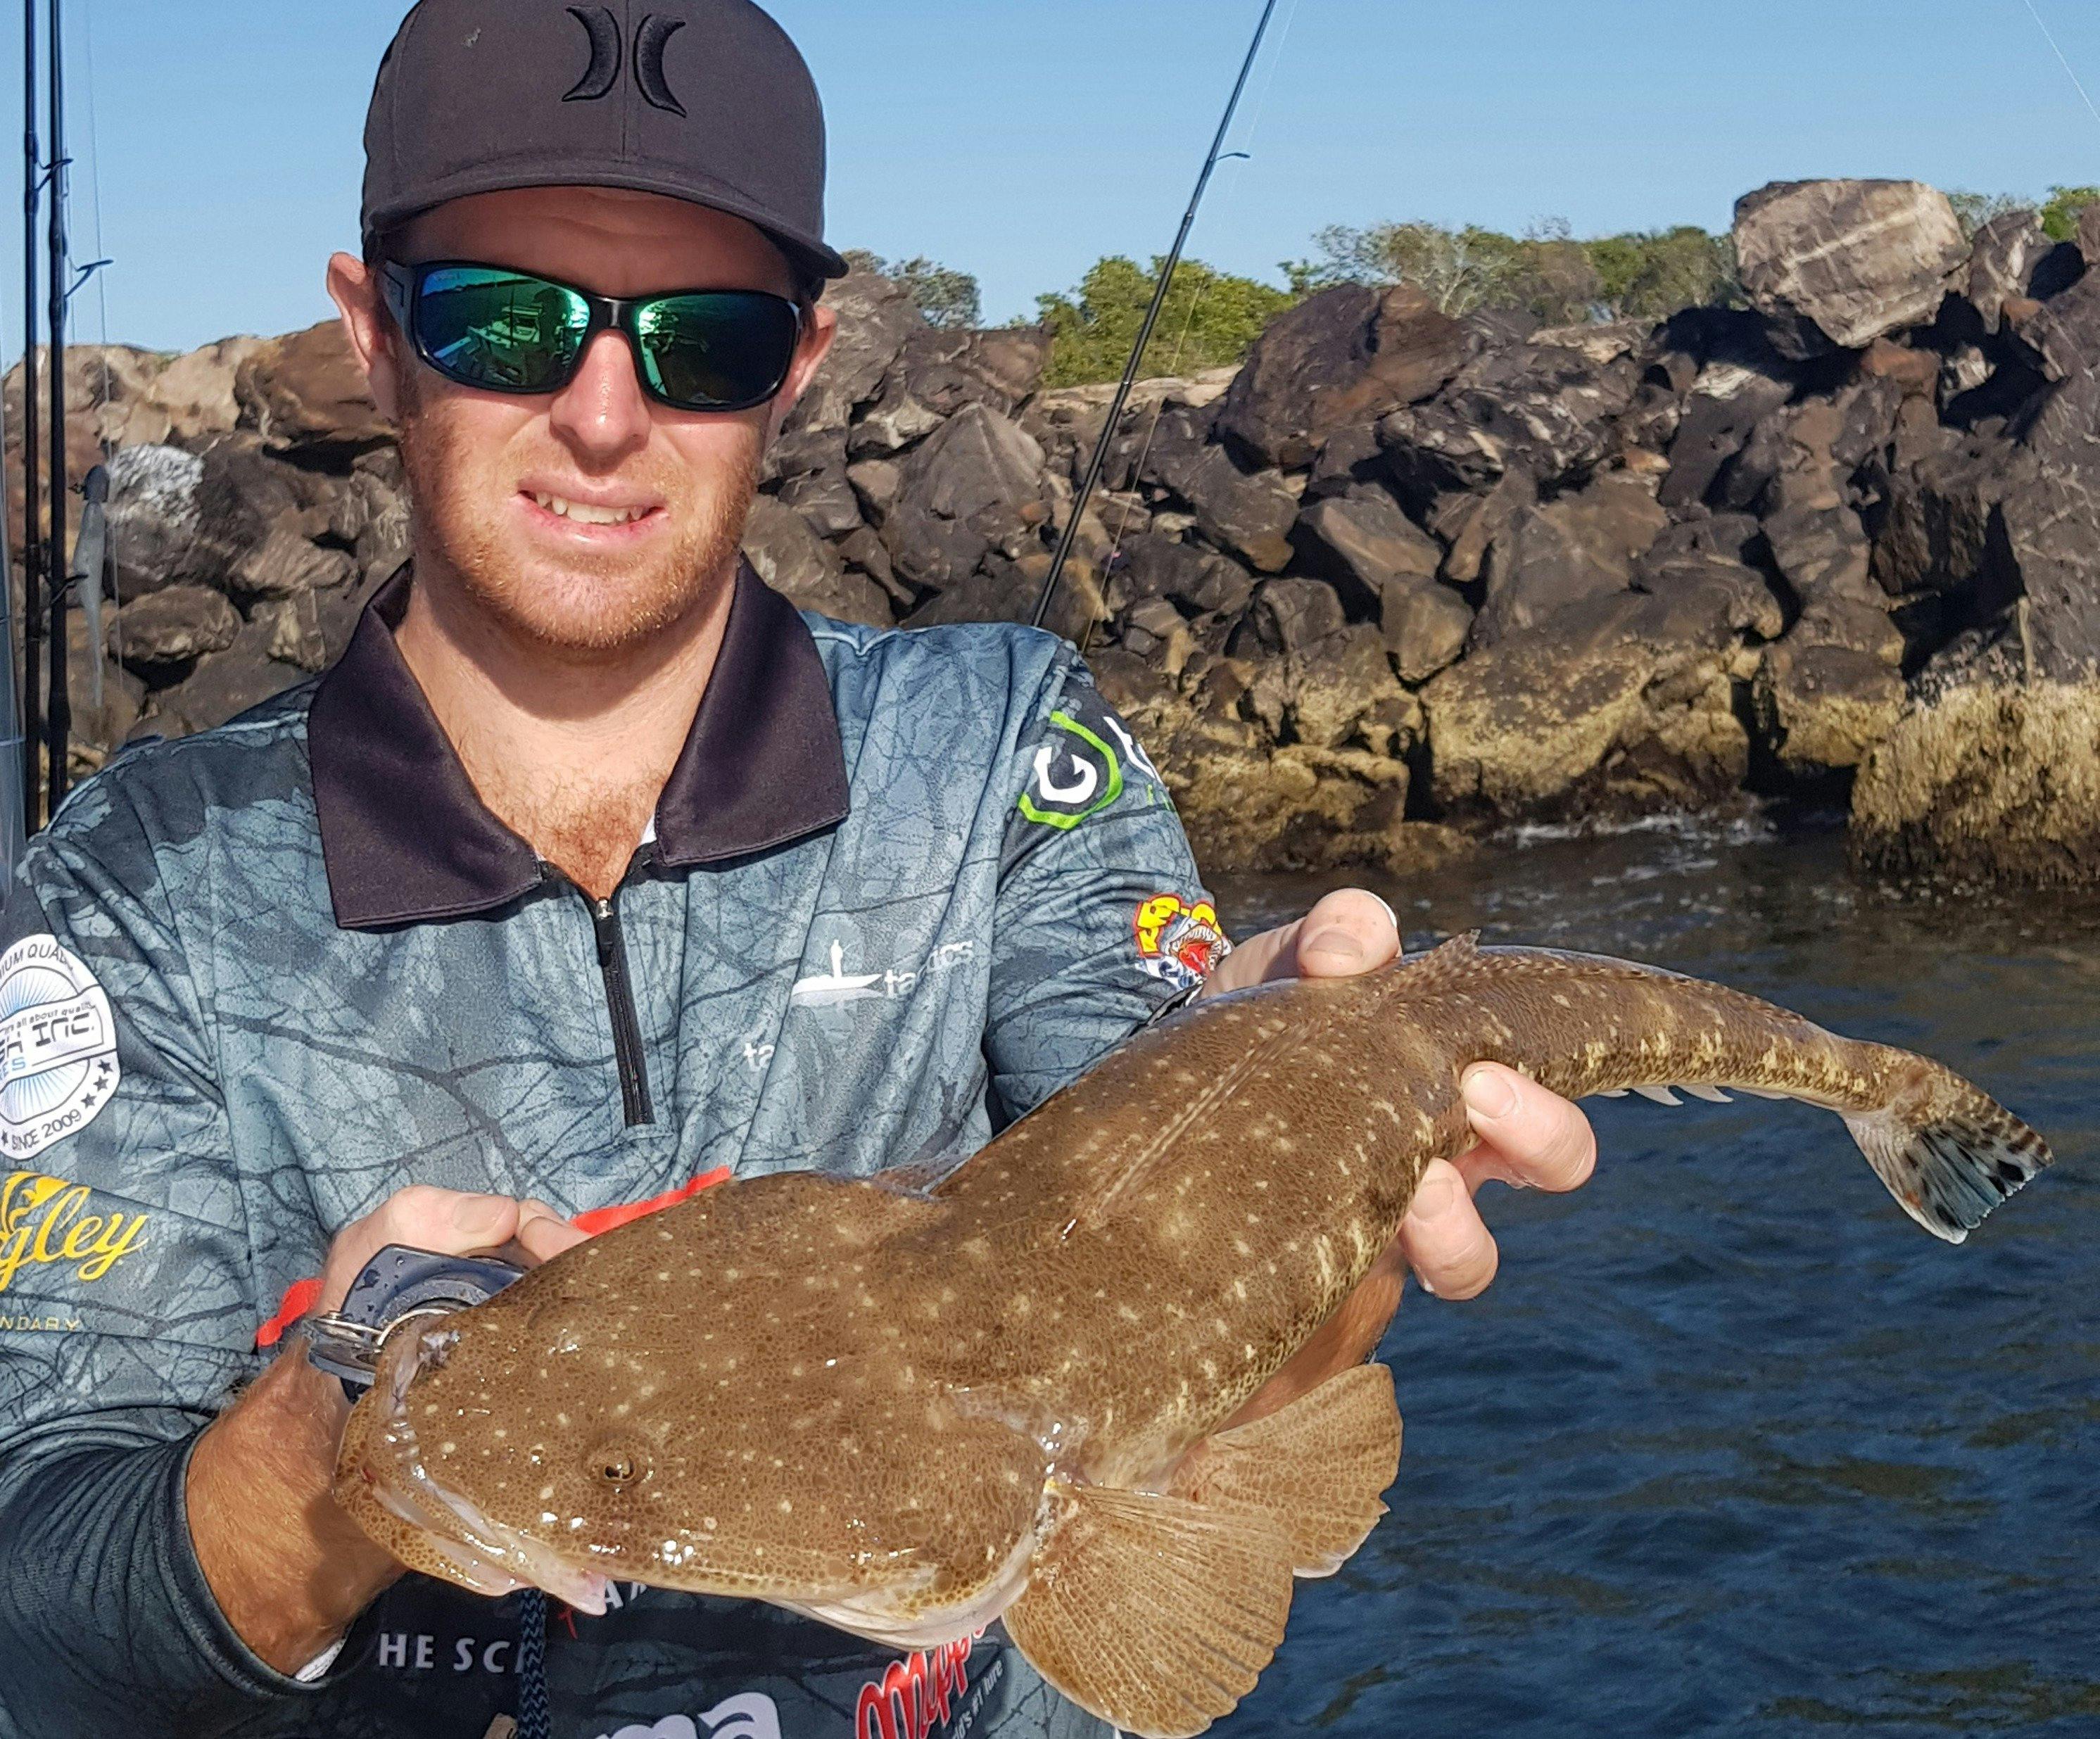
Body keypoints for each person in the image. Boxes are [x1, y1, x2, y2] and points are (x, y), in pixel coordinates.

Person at [0, 4, 1597, 1737]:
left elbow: (1195, 1399)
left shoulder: (999, 757)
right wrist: (348, 1423)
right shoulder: (137, 890)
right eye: (506, 321)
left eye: (705, 340)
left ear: (803, 361)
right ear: (375, 337)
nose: (604, 414)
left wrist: (1321, 1143)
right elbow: (39, 1614)